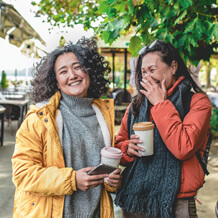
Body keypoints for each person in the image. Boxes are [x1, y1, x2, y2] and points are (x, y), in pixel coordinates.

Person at [11, 37, 121, 218]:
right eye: (63, 71)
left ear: (89, 71)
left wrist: (113, 181)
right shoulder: (40, 118)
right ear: (55, 81)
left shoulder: (103, 115)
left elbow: (102, 169)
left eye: (78, 67)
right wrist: (72, 180)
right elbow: (22, 173)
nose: (72, 75)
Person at [114, 40, 212, 218]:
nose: (148, 77)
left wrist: (160, 104)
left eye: (153, 70)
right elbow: (119, 146)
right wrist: (128, 148)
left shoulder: (197, 102)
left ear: (173, 66)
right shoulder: (135, 106)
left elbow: (183, 147)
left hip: (177, 201)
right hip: (135, 198)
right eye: (144, 72)